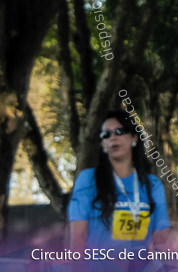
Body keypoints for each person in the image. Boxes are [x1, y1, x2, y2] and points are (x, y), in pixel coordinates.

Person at [68, 110, 170, 259]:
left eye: (119, 131)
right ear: (103, 144)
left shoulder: (153, 185)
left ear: (134, 138)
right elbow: (78, 238)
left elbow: (161, 240)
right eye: (106, 134)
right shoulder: (87, 179)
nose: (113, 137)